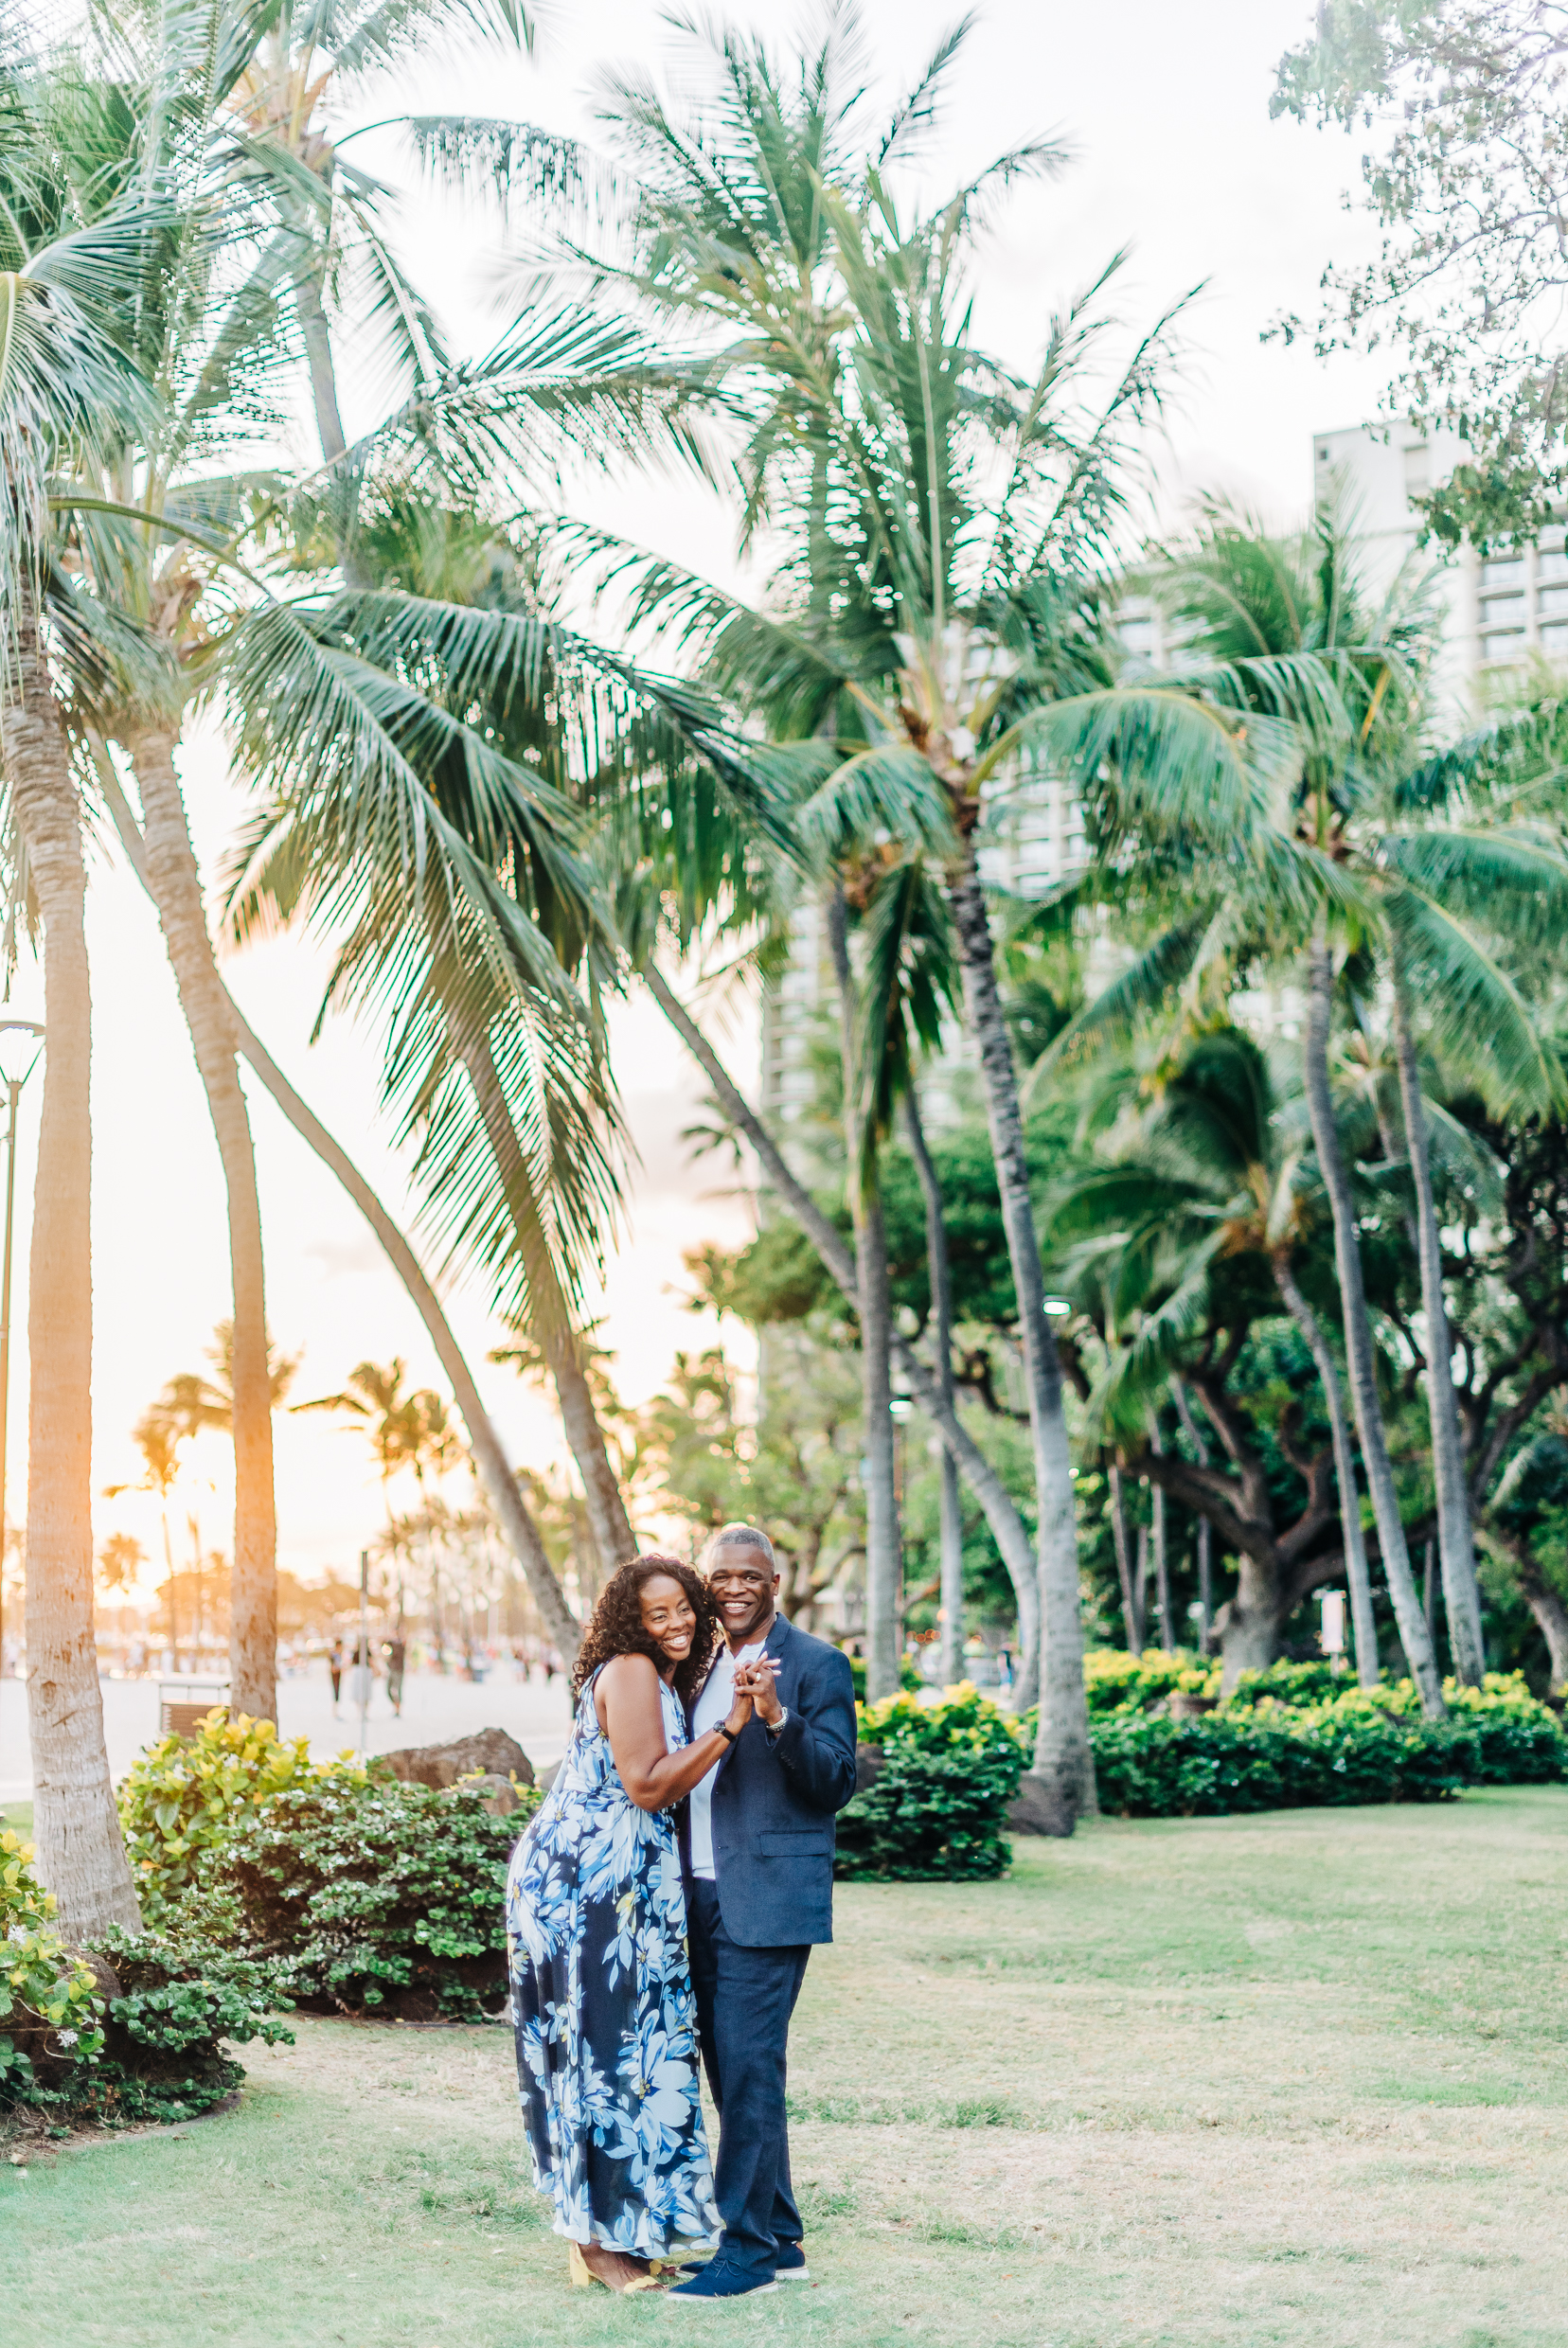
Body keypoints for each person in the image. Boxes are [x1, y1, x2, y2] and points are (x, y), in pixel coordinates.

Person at [507, 1554, 743, 2294]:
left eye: (683, 1609)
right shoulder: (635, 1670)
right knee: (598, 2063)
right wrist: (733, 1727)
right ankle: (593, 2246)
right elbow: (644, 1786)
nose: (674, 1624)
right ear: (630, 1623)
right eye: (656, 1614)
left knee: (628, 2059)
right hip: (583, 1889)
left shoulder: (661, 1676)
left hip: (619, 1887)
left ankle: (625, 2232)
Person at [668, 1522, 857, 2303]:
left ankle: (744, 2255)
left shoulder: (817, 1664)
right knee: (732, 2074)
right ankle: (779, 2238)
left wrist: (779, 1717)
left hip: (769, 1901)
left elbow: (835, 1782)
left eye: (750, 1575)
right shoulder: (694, 1665)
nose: (735, 1588)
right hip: (695, 1893)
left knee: (749, 2073)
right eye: (722, 1577)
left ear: (774, 1582)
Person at [383, 1632, 406, 1717]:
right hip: (392, 1669)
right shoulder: (391, 1643)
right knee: (388, 1690)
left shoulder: (401, 1645)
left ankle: (397, 1710)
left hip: (398, 1670)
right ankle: (396, 1707)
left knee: (397, 1690)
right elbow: (384, 1644)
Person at [328, 1637, 343, 1713]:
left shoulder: (339, 1654)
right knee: (336, 1690)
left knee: (337, 1690)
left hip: (338, 1673)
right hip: (335, 1673)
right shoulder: (333, 1654)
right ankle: (334, 1709)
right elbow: (332, 1666)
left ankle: (336, 1708)